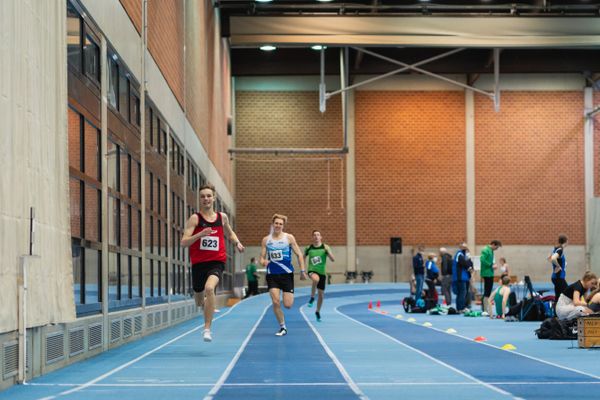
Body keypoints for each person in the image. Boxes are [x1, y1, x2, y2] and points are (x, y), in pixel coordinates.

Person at [181, 184, 244, 342]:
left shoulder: (222, 217)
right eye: (202, 196)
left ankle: (207, 329)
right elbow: (184, 242)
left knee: (210, 288)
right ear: (199, 199)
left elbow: (229, 233)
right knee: (198, 300)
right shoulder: (195, 218)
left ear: (214, 198)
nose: (206, 199)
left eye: (209, 196)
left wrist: (237, 243)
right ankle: (205, 304)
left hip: (216, 262)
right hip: (198, 264)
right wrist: (200, 234)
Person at [260, 214, 306, 336]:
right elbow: (262, 257)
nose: (278, 225)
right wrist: (263, 261)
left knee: (288, 305)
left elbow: (299, 255)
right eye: (276, 223)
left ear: (283, 225)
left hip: (286, 274)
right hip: (272, 274)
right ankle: (282, 327)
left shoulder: (289, 238)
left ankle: (283, 322)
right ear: (273, 224)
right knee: (275, 302)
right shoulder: (266, 240)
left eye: (280, 224)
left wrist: (302, 271)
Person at [305, 230, 335, 322]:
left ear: (321, 237)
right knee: (315, 279)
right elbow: (302, 257)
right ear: (312, 237)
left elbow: (333, 259)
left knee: (321, 295)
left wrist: (328, 252)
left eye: (318, 235)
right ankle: (312, 297)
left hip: (322, 273)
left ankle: (317, 311)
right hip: (312, 271)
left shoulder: (325, 247)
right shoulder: (309, 248)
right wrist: (303, 269)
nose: (316, 236)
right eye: (314, 235)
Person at [480, 240, 502, 314]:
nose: (497, 249)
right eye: (497, 247)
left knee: (488, 291)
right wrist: (491, 265)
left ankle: (486, 308)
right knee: (487, 292)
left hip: (490, 273)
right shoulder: (486, 250)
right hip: (486, 273)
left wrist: (493, 264)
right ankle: (485, 309)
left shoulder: (491, 250)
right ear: (493, 244)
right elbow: (482, 259)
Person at [452, 243, 473, 313]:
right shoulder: (459, 254)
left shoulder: (464, 255)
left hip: (465, 277)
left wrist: (469, 262)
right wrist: (469, 267)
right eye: (464, 247)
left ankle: (461, 307)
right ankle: (460, 308)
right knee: (462, 293)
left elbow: (469, 264)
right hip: (460, 277)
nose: (466, 249)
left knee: (464, 293)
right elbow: (464, 263)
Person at [549, 234, 569, 303]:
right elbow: (553, 258)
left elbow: (549, 258)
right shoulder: (560, 250)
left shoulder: (556, 249)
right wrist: (558, 266)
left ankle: (556, 313)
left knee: (558, 297)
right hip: (559, 278)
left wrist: (559, 265)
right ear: (566, 241)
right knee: (568, 294)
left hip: (556, 277)